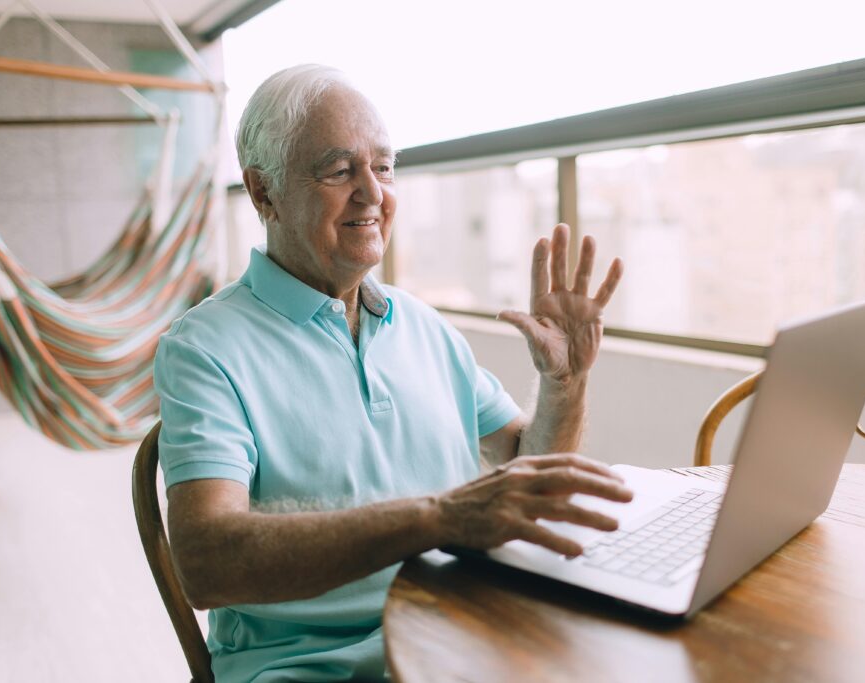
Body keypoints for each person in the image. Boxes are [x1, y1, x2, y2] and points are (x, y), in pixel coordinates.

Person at [154, 64, 629, 683]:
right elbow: (207, 562)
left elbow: (526, 467)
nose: (373, 193)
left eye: (382, 167)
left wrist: (566, 384)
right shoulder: (203, 349)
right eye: (339, 170)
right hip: (318, 668)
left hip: (462, 636)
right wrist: (438, 517)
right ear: (263, 191)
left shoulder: (423, 324)